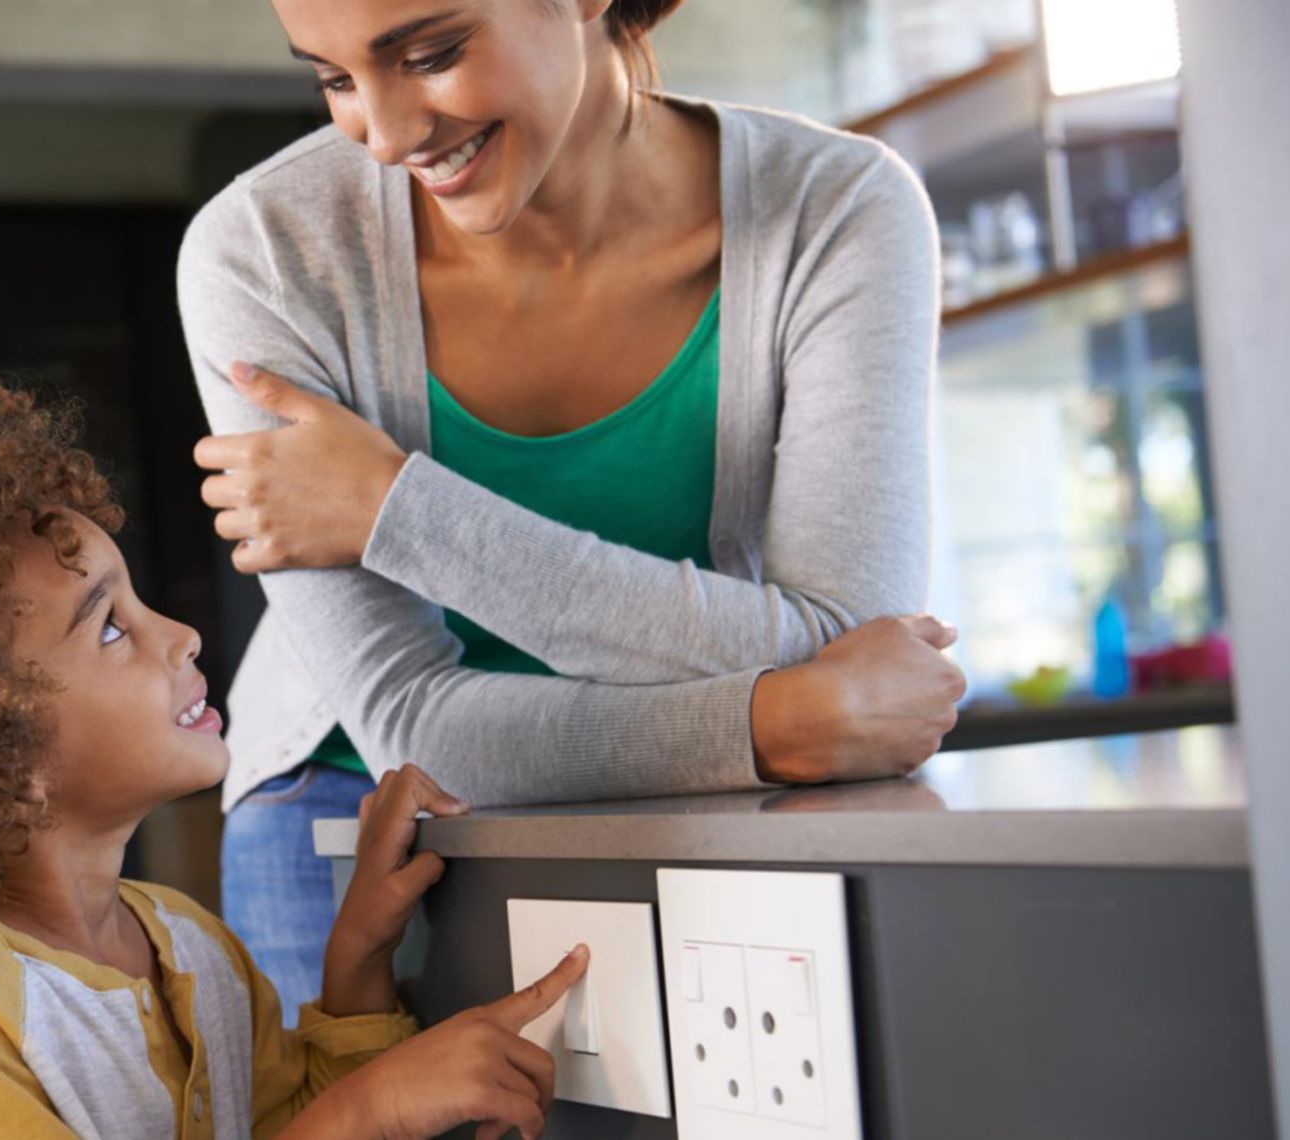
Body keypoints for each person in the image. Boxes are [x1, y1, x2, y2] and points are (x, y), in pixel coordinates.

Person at [177, 0, 967, 1019]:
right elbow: (413, 727)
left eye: (430, 54)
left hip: (703, 790)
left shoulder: (834, 210)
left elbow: (846, 643)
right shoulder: (265, 253)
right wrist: (776, 717)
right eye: (332, 79)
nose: (382, 132)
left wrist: (394, 510)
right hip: (354, 815)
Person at [0, 378, 589, 1140]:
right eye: (111, 629)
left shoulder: (189, 945)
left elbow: (294, 1127)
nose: (180, 637)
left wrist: (358, 957)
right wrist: (370, 1109)